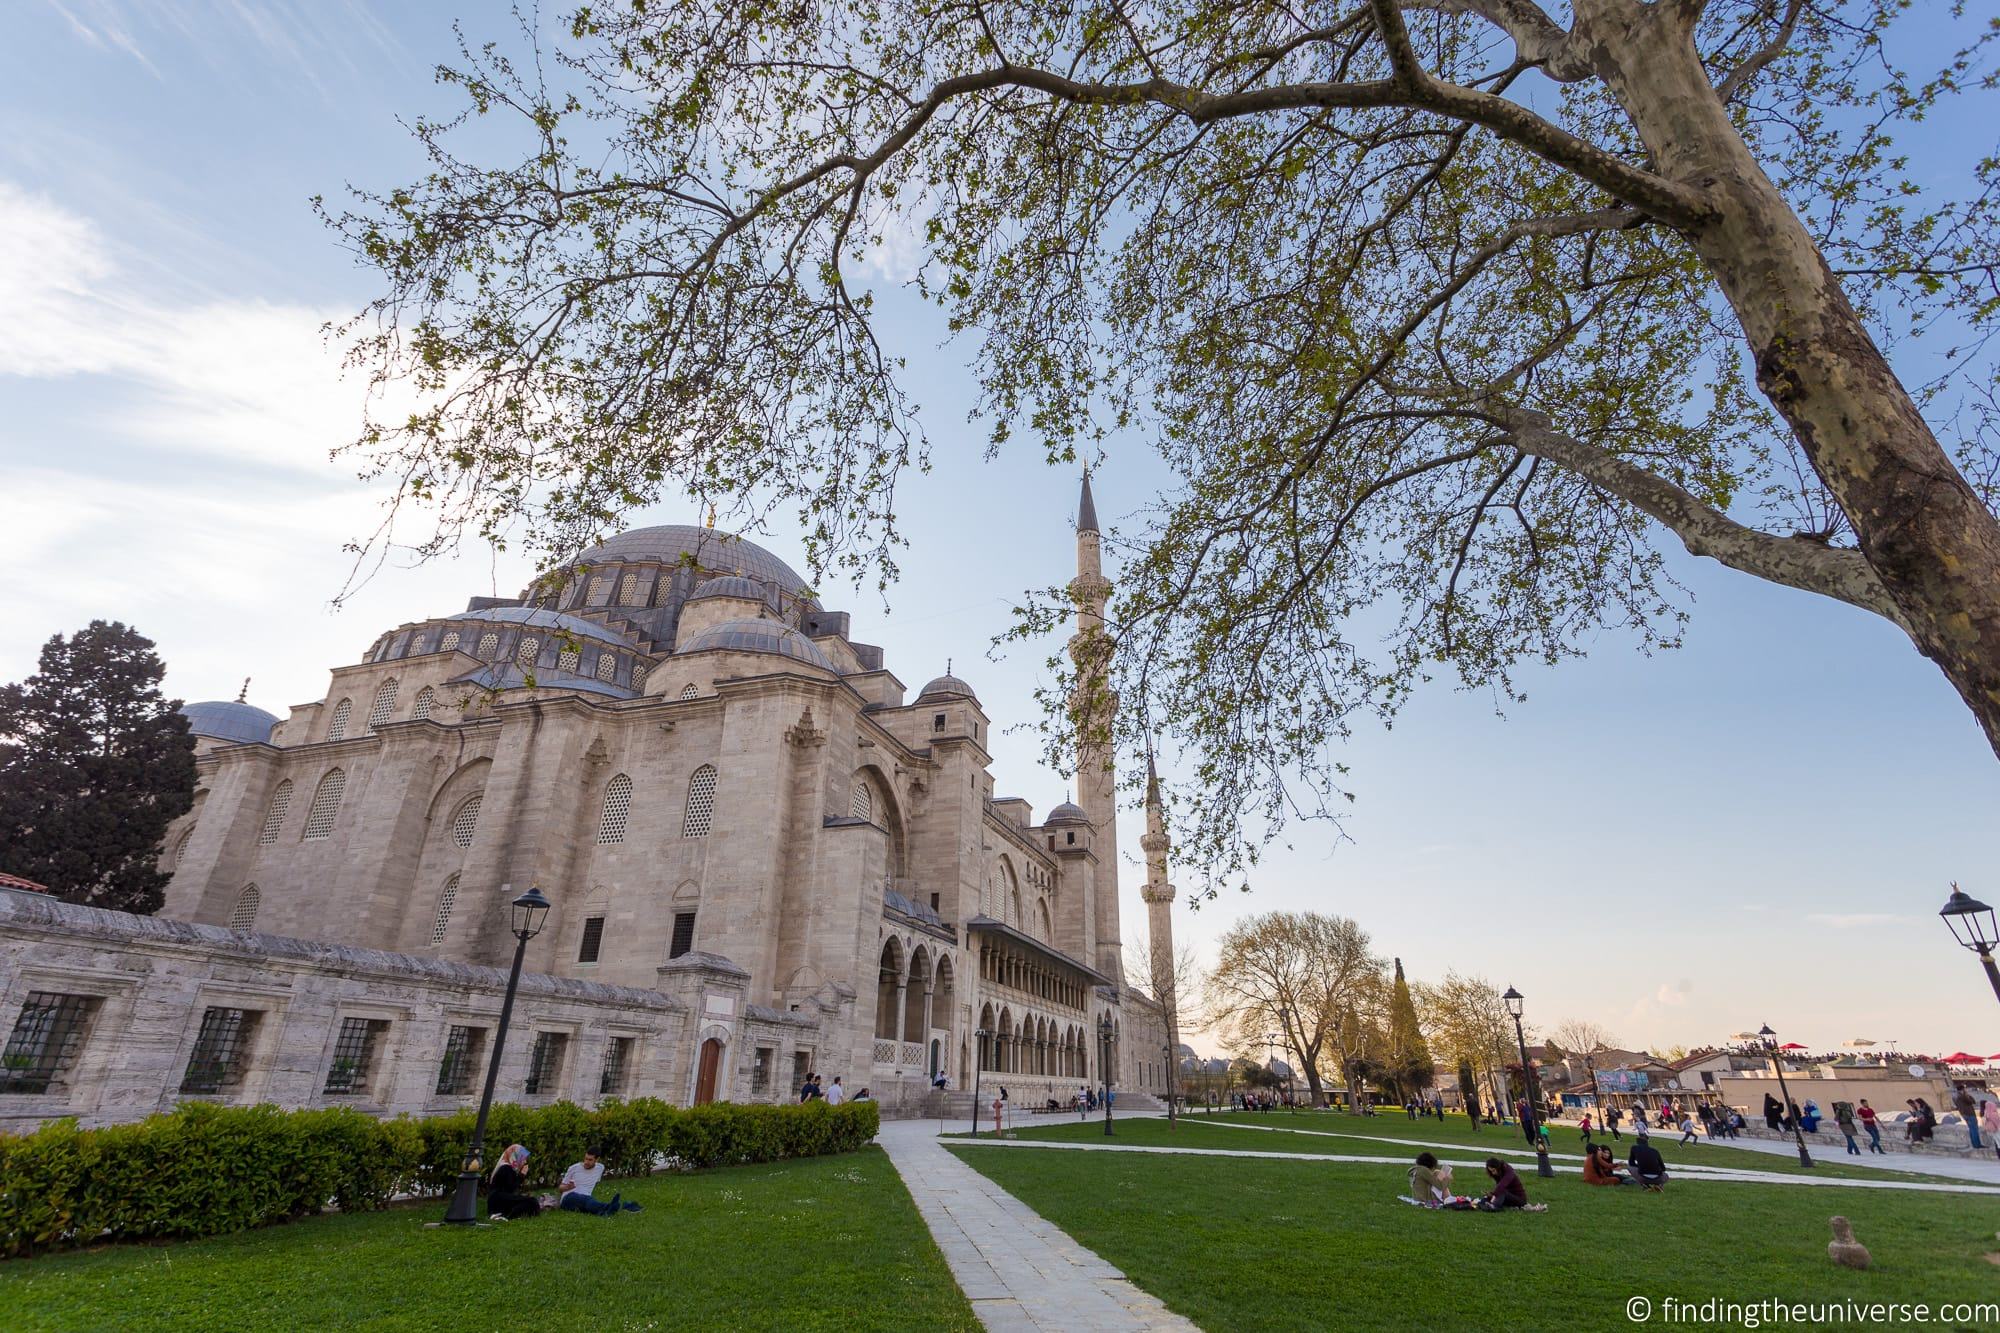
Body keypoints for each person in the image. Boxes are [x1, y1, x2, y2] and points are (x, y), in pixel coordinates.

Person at [559, 1146, 638, 1216]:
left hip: (585, 1199)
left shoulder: (600, 1168)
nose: (586, 1162)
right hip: (568, 1198)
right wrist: (568, 1187)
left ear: (597, 1159)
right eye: (585, 1158)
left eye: (590, 1160)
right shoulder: (574, 1168)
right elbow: (560, 1188)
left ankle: (605, 1212)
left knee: (588, 1204)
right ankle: (609, 1207)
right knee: (587, 1200)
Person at [487, 1144, 540, 1220]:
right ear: (515, 1156)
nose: (524, 1161)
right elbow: (511, 1188)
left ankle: (510, 1213)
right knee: (532, 1202)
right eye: (523, 1158)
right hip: (499, 1201)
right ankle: (508, 1215)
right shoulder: (506, 1168)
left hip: (498, 1200)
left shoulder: (508, 1168)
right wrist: (522, 1175)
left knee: (531, 1201)